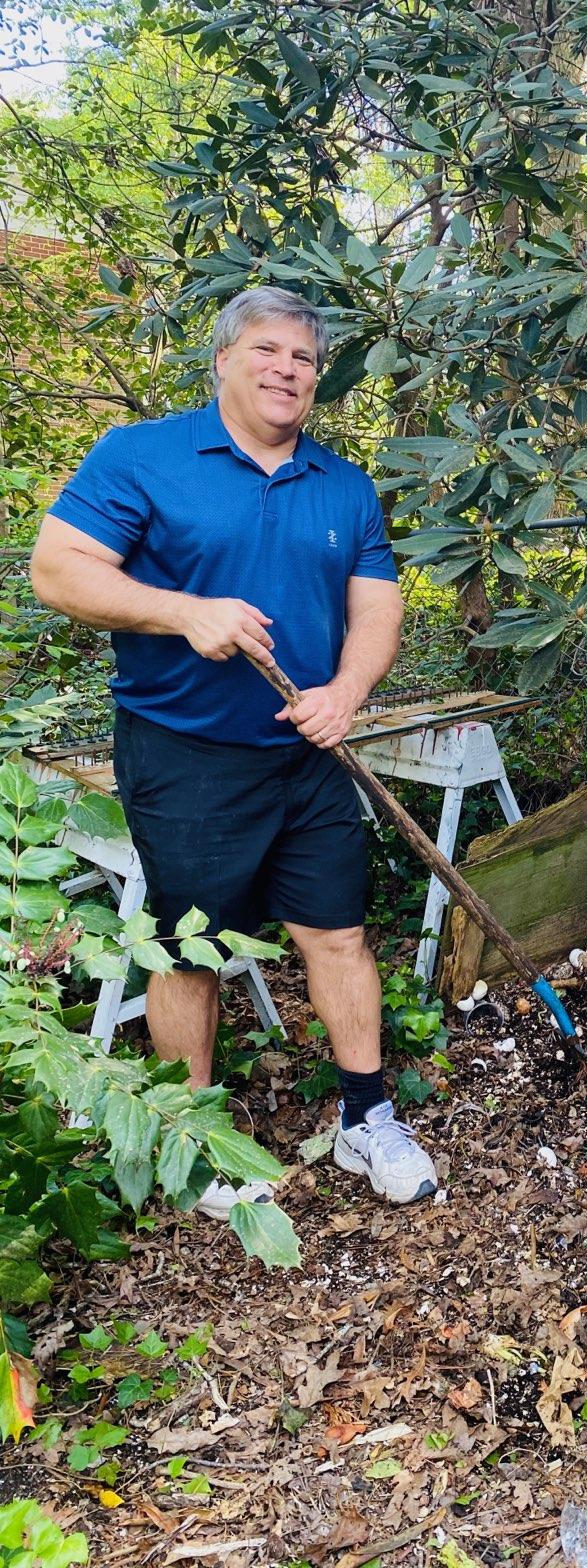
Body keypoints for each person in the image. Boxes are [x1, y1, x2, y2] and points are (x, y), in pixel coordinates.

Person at [31, 285, 438, 1220]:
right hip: (187, 753)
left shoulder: (343, 483)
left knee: (337, 931)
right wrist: (183, 613)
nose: (284, 369)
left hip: (308, 752)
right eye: (265, 349)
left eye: (301, 357)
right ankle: (192, 1138)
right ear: (222, 358)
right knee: (191, 950)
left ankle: (367, 1117)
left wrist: (346, 694)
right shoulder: (143, 455)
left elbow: (376, 603)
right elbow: (57, 569)